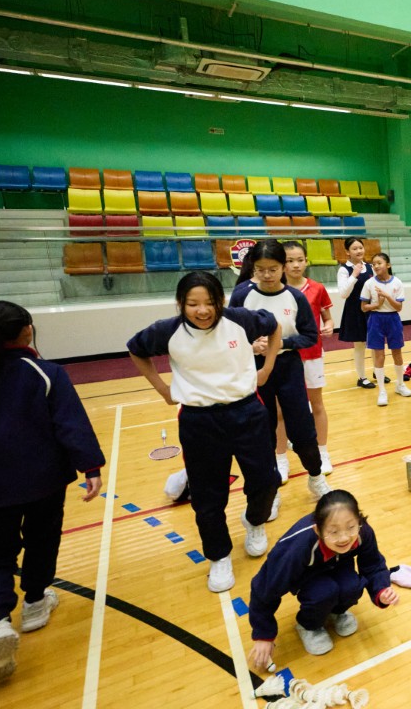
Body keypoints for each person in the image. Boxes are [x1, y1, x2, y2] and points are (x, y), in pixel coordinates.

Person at [128, 272, 282, 593]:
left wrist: (267, 368)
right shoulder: (167, 331)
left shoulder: (240, 320)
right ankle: (219, 555)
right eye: (193, 304)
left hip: (247, 412)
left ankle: (254, 522)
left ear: (220, 302)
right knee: (208, 496)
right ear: (181, 304)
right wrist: (162, 389)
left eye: (210, 302)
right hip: (199, 421)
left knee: (266, 480)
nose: (202, 310)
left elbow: (274, 326)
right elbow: (136, 349)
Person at [0, 301, 105, 683]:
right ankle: (35, 603)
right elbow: (71, 423)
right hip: (42, 483)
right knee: (42, 540)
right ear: (27, 332)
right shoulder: (46, 373)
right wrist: (91, 467)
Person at [246, 490, 397, 666]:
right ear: (318, 529)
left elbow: (373, 564)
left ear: (359, 521)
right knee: (324, 593)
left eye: (351, 527)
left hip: (338, 563)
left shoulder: (363, 532)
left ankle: (336, 612)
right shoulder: (296, 549)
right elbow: (265, 587)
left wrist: (381, 589)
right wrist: (263, 634)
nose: (344, 538)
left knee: (352, 586)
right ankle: (308, 625)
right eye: (333, 531)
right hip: (307, 574)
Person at [230, 242, 328, 499]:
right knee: (263, 430)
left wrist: (280, 343)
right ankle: (269, 491)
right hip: (255, 368)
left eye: (272, 269)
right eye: (260, 269)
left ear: (282, 267)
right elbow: (230, 334)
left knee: (302, 428)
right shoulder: (242, 295)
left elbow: (310, 336)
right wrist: (250, 346)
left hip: (288, 367)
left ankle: (316, 477)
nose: (266, 275)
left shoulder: (295, 297)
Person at [281, 241, 335, 478]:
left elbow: (327, 316)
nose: (295, 265)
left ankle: (322, 452)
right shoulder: (275, 290)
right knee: (280, 409)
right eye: (290, 260)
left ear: (306, 261)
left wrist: (329, 325)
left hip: (312, 353)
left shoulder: (317, 288)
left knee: (317, 403)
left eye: (300, 260)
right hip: (283, 355)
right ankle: (280, 459)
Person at [361, 252, 411, 406]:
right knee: (379, 355)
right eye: (373, 264)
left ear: (388, 265)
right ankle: (382, 390)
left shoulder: (397, 282)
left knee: (397, 353)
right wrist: (377, 304)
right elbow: (363, 307)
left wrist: (387, 296)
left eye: (379, 263)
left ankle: (400, 385)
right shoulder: (369, 283)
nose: (376, 266)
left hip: (393, 319)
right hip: (375, 319)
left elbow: (399, 307)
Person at [336, 238, 379, 389]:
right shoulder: (344, 270)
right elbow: (343, 294)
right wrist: (354, 275)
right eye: (354, 249)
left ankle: (377, 372)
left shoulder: (370, 267)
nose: (359, 251)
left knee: (375, 343)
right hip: (354, 311)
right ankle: (362, 377)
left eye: (360, 247)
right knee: (360, 346)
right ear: (347, 252)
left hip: (370, 309)